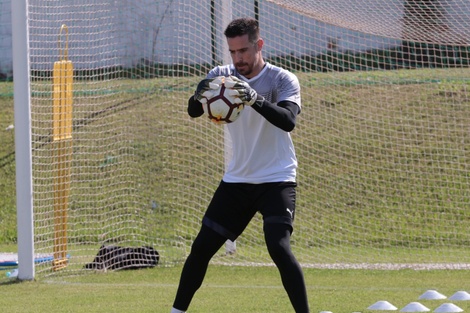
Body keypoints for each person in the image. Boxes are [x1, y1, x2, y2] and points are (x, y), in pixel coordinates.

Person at [170, 17, 310, 313]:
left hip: (277, 177)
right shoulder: (222, 76)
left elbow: (288, 121)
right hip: (238, 179)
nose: (238, 59)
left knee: (278, 247)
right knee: (201, 249)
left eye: (244, 51)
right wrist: (200, 90)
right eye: (233, 52)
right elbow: (194, 111)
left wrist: (255, 98)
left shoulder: (282, 79)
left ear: (259, 45)